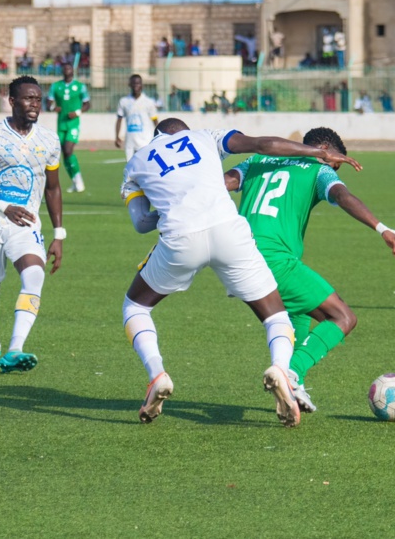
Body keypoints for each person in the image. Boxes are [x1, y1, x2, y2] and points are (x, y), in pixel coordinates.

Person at [119, 118, 362, 427]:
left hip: (181, 237)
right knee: (276, 316)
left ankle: (157, 374)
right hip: (229, 232)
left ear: (156, 136)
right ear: (185, 131)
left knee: (136, 306)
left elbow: (141, 223)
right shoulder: (205, 137)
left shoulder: (136, 163)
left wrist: (177, 208)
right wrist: (316, 153)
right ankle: (281, 370)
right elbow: (264, 144)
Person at [224, 127, 395, 414]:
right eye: (336, 163)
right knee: (343, 317)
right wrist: (382, 228)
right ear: (325, 150)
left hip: (235, 259)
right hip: (273, 260)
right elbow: (343, 196)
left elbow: (220, 183)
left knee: (298, 311)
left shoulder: (256, 160)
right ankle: (289, 372)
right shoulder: (318, 167)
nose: (335, 170)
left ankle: (293, 381)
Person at [0, 75, 65, 373]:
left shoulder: (49, 140)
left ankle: (14, 349)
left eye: (38, 99)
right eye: (28, 98)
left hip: (26, 225)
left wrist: (59, 234)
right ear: (11, 101)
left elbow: (53, 188)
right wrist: (5, 207)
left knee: (34, 274)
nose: (35, 104)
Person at [47, 62, 91, 193]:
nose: (67, 70)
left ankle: (79, 180)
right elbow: (47, 102)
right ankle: (75, 180)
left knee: (68, 149)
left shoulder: (80, 86)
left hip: (73, 124)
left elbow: (87, 104)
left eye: (69, 68)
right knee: (64, 154)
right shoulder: (55, 86)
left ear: (73, 70)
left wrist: (77, 112)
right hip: (61, 124)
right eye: (65, 68)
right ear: (62, 71)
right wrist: (52, 108)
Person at [116, 74, 159, 161]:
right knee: (130, 170)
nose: (136, 86)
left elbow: (155, 120)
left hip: (145, 140)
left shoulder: (148, 102)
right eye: (134, 83)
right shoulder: (123, 101)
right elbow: (119, 119)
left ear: (142, 85)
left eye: (138, 83)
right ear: (129, 85)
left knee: (144, 167)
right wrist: (117, 136)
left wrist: (159, 135)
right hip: (130, 141)